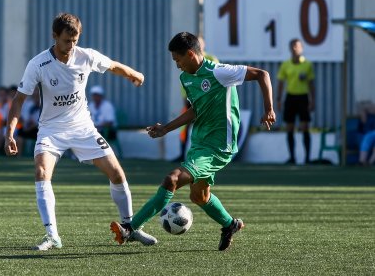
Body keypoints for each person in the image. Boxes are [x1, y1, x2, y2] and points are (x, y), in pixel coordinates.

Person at [4, 12, 157, 251]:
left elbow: (113, 66)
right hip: (51, 130)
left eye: (75, 40)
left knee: (116, 173)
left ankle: (131, 227)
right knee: (41, 171)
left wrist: (134, 74)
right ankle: (52, 236)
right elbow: (18, 100)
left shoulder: (86, 56)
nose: (71, 45)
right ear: (54, 36)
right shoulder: (38, 64)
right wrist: (9, 133)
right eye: (67, 40)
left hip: (83, 127)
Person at [110, 32, 275, 251]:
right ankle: (230, 225)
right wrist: (166, 128)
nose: (177, 65)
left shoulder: (219, 72)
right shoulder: (186, 78)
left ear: (190, 54)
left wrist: (269, 109)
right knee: (199, 196)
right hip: (199, 143)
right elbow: (195, 110)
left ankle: (130, 228)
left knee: (172, 179)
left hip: (218, 146)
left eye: (178, 60)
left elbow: (262, 74)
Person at [277, 38, 315, 164]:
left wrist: (313, 100)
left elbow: (311, 83)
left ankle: (307, 158)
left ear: (302, 48)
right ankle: (292, 157)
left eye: (297, 46)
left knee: (305, 128)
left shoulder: (307, 64)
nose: (295, 48)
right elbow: (281, 82)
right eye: (293, 46)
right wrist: (279, 99)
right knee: (289, 128)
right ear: (290, 48)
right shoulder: (285, 64)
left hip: (303, 98)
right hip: (290, 97)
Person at [88, 85, 120, 157]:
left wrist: (98, 126)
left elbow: (110, 122)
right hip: (94, 130)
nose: (95, 97)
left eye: (97, 95)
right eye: (94, 95)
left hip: (109, 131)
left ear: (101, 96)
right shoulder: (91, 105)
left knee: (92, 136)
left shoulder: (107, 105)